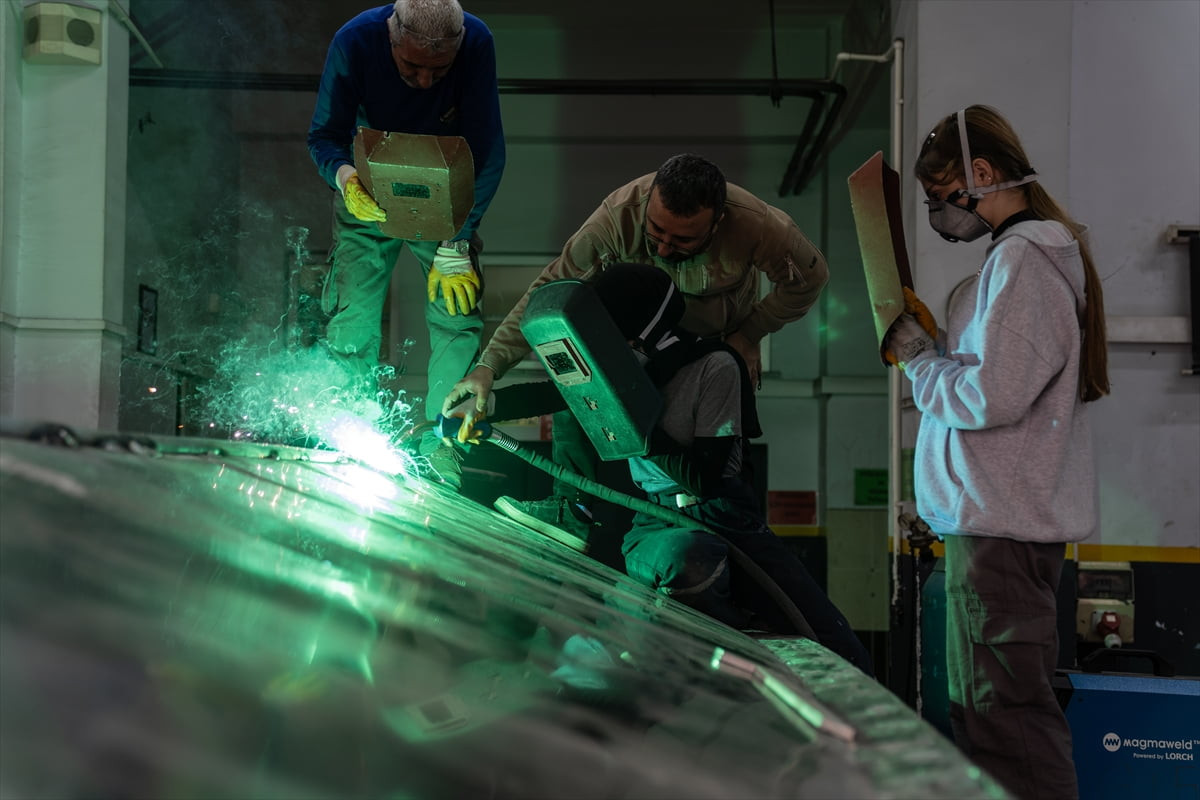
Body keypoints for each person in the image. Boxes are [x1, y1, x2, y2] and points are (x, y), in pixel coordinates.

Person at [447, 263, 872, 674]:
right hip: (652, 520)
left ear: (639, 336)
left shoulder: (716, 366)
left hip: (724, 518)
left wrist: (634, 421)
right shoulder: (622, 371)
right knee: (638, 609)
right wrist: (486, 404)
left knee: (838, 647)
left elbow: (705, 478)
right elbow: (554, 393)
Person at [884, 105, 1108, 800]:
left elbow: (990, 399)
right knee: (991, 723)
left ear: (981, 175)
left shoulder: (1023, 259)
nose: (937, 212)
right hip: (996, 532)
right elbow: (999, 377)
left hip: (1001, 536)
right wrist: (941, 349)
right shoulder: (1026, 259)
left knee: (1008, 730)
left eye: (939, 196)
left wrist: (921, 363)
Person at [443, 153, 828, 531]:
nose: (663, 249)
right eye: (655, 233)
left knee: (708, 464)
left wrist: (749, 335)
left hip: (713, 345)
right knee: (574, 370)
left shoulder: (756, 225)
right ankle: (570, 508)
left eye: (682, 240)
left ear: (718, 223)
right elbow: (548, 294)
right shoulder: (616, 218)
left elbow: (809, 279)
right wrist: (487, 373)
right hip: (642, 337)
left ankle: (714, 525)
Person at [307, 0, 505, 488]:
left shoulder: (477, 42)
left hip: (447, 197)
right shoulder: (354, 40)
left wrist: (456, 244)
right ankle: (347, 437)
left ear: (457, 47)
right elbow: (324, 136)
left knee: (455, 313)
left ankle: (445, 443)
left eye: (438, 70)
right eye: (411, 66)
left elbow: (488, 150)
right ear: (391, 37)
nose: (423, 81)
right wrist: (345, 177)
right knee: (352, 315)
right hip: (367, 191)